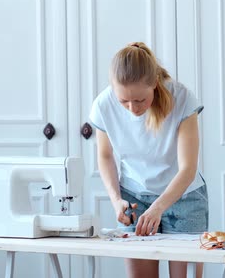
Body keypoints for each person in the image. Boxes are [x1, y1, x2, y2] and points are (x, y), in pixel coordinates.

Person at [89, 42, 208, 278]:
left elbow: (188, 168)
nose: (132, 108)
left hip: (185, 199)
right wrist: (116, 201)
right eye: (124, 101)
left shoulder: (182, 99)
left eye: (140, 100)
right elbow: (105, 155)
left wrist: (158, 208)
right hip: (135, 199)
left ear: (154, 83)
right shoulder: (103, 105)